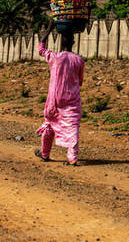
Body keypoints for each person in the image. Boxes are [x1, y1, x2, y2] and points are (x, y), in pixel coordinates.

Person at [34, 21, 85, 165]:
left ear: (61, 42)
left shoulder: (54, 56)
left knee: (50, 125)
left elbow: (40, 49)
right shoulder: (79, 60)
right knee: (72, 127)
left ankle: (45, 154)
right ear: (73, 43)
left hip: (54, 101)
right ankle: (72, 158)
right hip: (72, 100)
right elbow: (80, 81)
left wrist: (49, 29)